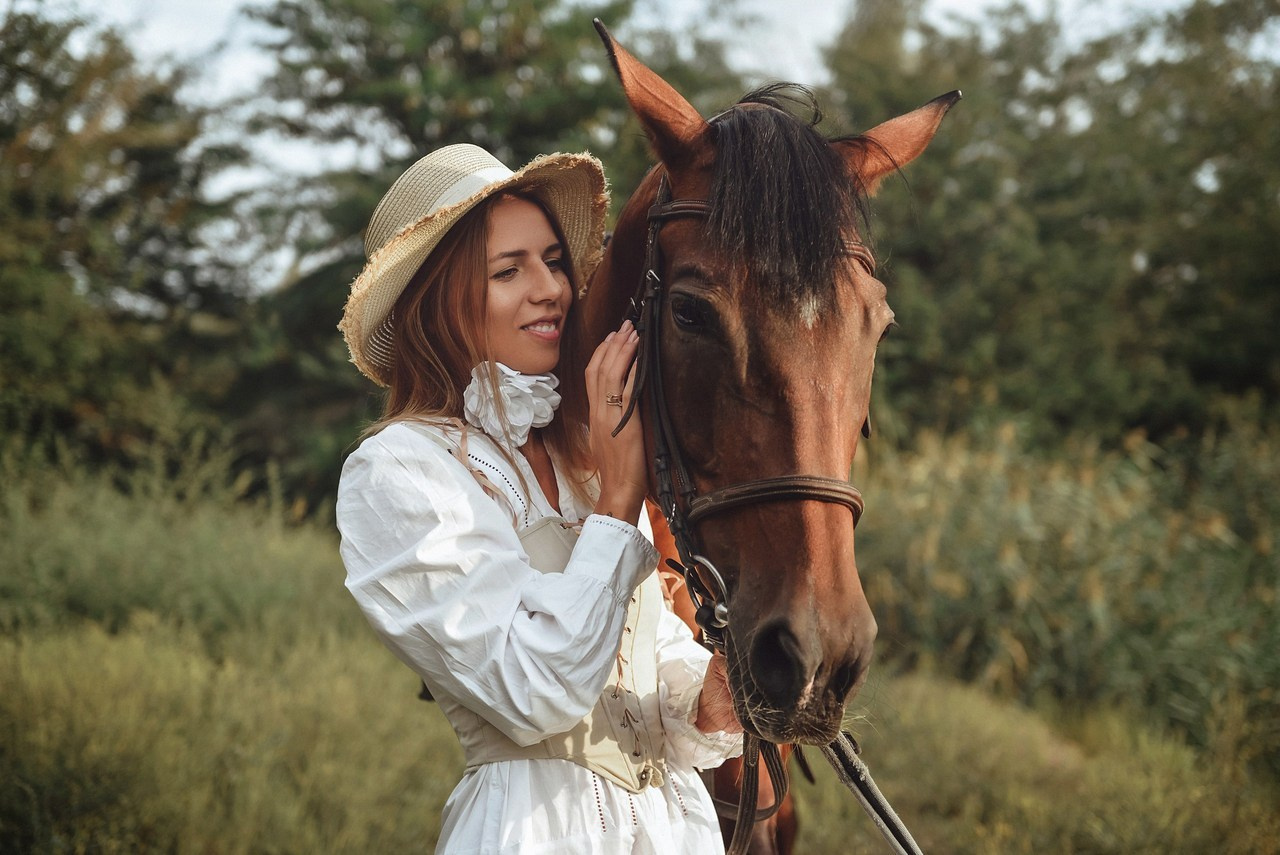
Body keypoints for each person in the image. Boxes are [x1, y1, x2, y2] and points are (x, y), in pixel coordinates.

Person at [335, 143, 743, 854]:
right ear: (441, 299)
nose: (551, 288)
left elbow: (658, 677)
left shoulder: (582, 456)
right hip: (534, 832)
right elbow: (532, 690)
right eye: (508, 270)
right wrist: (619, 504)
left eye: (554, 262)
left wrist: (727, 678)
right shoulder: (399, 474)